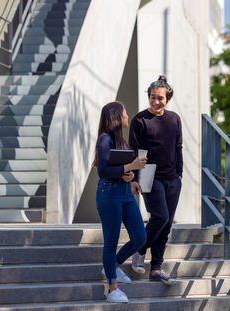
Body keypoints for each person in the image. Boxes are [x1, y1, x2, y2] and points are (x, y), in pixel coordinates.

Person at [129, 76, 182, 285]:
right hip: (149, 173)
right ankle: (140, 250)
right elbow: (134, 151)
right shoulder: (139, 120)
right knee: (159, 217)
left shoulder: (174, 119)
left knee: (167, 224)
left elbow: (178, 147)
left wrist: (180, 173)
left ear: (167, 99)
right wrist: (133, 178)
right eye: (152, 97)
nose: (155, 101)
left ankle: (156, 269)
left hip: (172, 177)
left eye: (160, 98)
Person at [94, 101, 147, 303]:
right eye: (124, 113)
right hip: (109, 193)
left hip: (125, 193)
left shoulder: (122, 142)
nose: (127, 116)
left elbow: (122, 169)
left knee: (140, 237)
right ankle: (112, 288)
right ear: (117, 117)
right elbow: (102, 171)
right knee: (111, 241)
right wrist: (130, 166)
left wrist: (130, 177)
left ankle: (114, 264)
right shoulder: (104, 140)